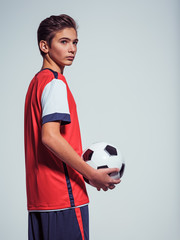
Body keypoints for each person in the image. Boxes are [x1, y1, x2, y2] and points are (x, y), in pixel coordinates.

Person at [24, 14, 120, 240]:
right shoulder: (55, 83)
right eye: (63, 41)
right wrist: (91, 173)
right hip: (64, 199)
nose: (72, 49)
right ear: (44, 46)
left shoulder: (36, 82)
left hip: (39, 200)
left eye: (75, 42)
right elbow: (50, 137)